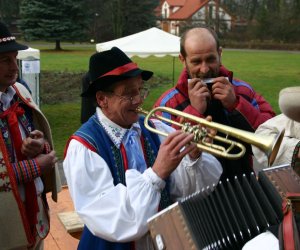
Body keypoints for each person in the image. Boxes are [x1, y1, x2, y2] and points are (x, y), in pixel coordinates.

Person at [63, 47, 222, 249]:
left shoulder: (154, 126)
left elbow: (187, 192)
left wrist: (194, 155)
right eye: (129, 94)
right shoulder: (84, 147)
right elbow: (115, 221)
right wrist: (157, 173)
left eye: (140, 90)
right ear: (103, 99)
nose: (138, 100)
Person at [154, 26, 275, 180]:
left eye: (210, 59)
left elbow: (271, 131)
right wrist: (194, 112)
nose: (204, 69)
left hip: (243, 186)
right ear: (182, 60)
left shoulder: (243, 90)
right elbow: (162, 157)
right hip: (194, 197)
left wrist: (236, 104)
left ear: (220, 53)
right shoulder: (167, 103)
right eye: (196, 61)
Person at [0, 22, 61, 249]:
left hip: (34, 218)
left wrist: (38, 143)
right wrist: (36, 167)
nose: (14, 67)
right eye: (5, 60)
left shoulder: (19, 94)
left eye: (14, 58)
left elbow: (40, 139)